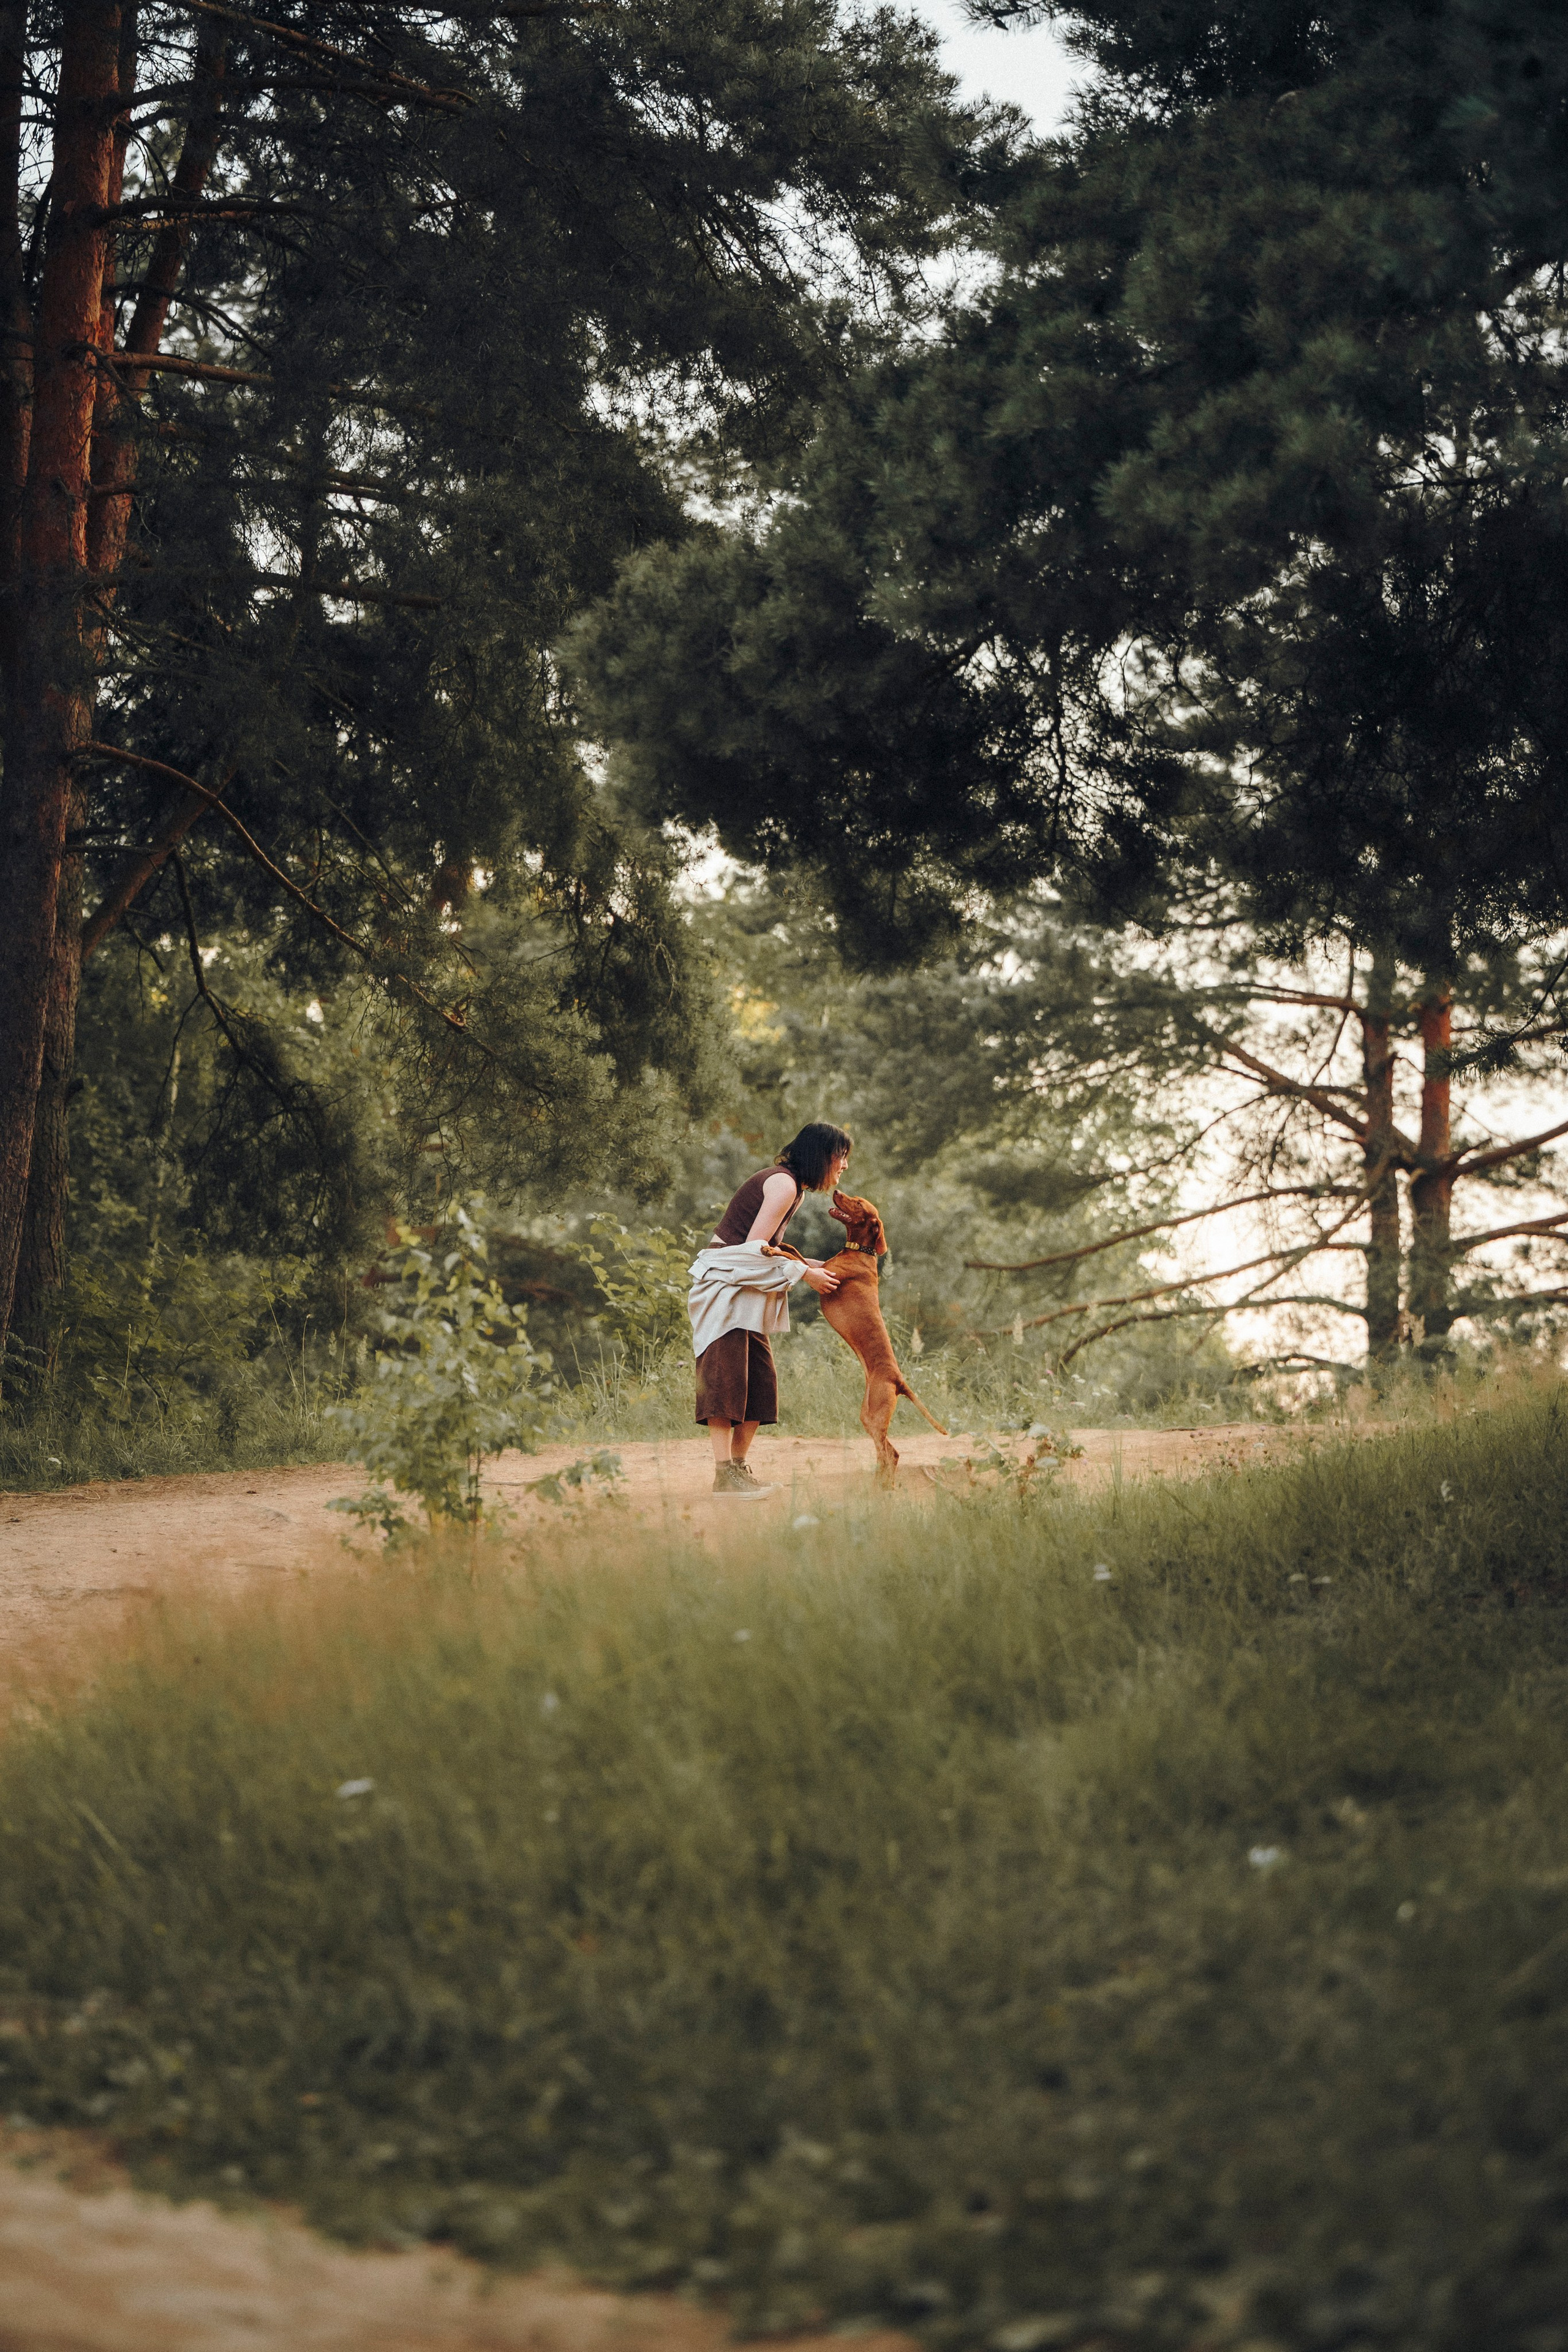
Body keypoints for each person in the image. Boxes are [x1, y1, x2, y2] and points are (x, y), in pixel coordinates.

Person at [687, 1121, 852, 1496]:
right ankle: (723, 1475)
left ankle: (739, 1469)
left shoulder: (795, 1190)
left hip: (745, 1289)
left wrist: (816, 1265)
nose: (844, 1167)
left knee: (760, 1384)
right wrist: (804, 1273)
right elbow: (754, 1250)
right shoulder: (783, 1184)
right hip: (725, 1287)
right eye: (841, 1158)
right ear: (823, 1155)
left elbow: (769, 1250)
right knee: (725, 1378)